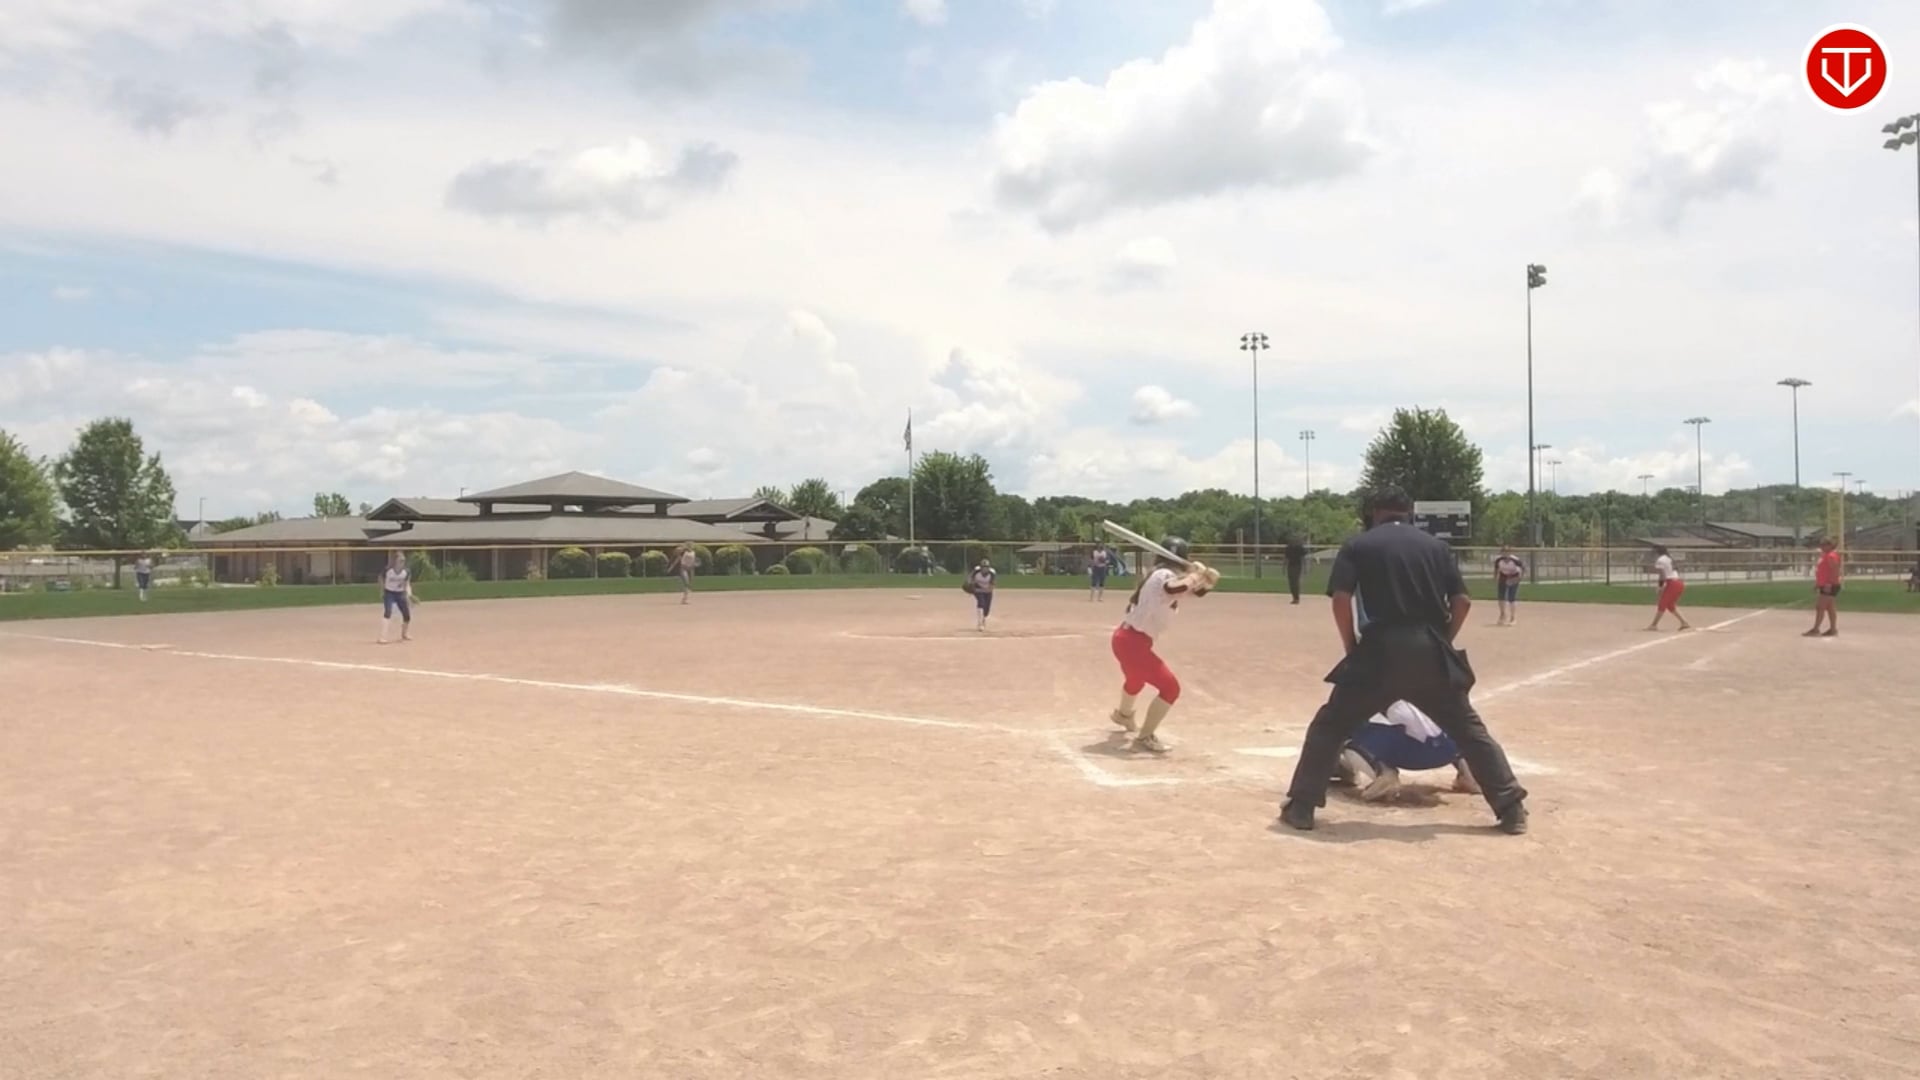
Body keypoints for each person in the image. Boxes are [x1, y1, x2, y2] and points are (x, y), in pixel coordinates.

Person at [1277, 486, 1529, 834]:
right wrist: (1442, 641)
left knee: (1331, 726)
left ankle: (1302, 808)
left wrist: (1351, 646)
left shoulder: (1359, 545)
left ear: (1374, 512)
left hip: (1379, 649)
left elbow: (1341, 599)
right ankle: (1511, 809)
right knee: (1468, 730)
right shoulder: (1437, 547)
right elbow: (1463, 602)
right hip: (1430, 647)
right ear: (1408, 513)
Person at [1109, 538, 1218, 754]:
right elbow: (1174, 587)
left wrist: (1206, 582)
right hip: (1133, 642)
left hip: (1127, 639)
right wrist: (1195, 574)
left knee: (1135, 679)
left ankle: (1123, 715)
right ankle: (1145, 736)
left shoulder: (1163, 575)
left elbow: (1191, 591)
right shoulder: (1164, 575)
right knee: (1170, 688)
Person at [1336, 701, 1481, 802]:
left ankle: (1383, 772)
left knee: (1347, 732)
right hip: (1454, 747)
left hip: (1415, 753)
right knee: (1451, 716)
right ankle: (1469, 773)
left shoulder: (1369, 676)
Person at [1646, 545, 1691, 632]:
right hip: (1679, 583)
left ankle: (1654, 625)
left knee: (1662, 604)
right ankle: (1684, 622)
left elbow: (1662, 575)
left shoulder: (1660, 560)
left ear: (1657, 552)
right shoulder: (1669, 558)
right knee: (1670, 605)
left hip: (1672, 583)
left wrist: (1660, 586)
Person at [378, 550, 416, 644]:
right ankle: (382, 637)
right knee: (388, 612)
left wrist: (409, 595)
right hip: (389, 593)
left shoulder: (406, 572)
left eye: (403, 561)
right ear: (395, 561)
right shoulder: (388, 570)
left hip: (400, 593)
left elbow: (406, 584)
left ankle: (404, 634)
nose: (402, 562)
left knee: (407, 615)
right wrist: (382, 590)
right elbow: (380, 577)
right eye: (400, 560)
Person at [1806, 538, 1842, 637]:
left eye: (1824, 545)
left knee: (1820, 607)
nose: (1821, 547)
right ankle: (1833, 629)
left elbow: (1835, 571)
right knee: (1830, 608)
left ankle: (1816, 629)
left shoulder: (1831, 556)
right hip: (1825, 584)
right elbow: (1823, 571)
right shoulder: (1825, 555)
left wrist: (1829, 584)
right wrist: (1818, 584)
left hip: (1830, 585)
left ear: (1829, 545)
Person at [1492, 545, 1525, 626]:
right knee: (1501, 597)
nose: (1505, 554)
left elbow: (1522, 570)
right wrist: (1495, 578)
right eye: (1503, 552)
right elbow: (1496, 569)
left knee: (1511, 598)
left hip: (1514, 577)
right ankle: (1502, 615)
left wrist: (1516, 580)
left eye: (1507, 552)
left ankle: (1513, 618)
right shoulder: (1498, 560)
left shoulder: (1515, 560)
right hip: (1503, 577)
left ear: (1510, 552)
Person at [968, 558, 997, 631]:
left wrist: (978, 590)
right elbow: (970, 579)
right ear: (980, 567)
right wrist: (971, 586)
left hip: (987, 591)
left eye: (986, 567)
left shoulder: (992, 573)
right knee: (981, 603)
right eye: (983, 567)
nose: (984, 569)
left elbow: (991, 588)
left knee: (986, 611)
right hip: (978, 588)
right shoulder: (976, 571)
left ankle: (983, 619)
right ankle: (980, 623)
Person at [1284, 537, 1308, 605]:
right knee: (1291, 582)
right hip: (1290, 566)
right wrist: (1284, 567)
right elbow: (1286, 558)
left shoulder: (1299, 548)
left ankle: (1296, 598)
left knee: (1295, 581)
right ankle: (1294, 597)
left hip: (1297, 565)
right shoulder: (1288, 547)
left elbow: (1303, 558)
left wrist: (1305, 567)